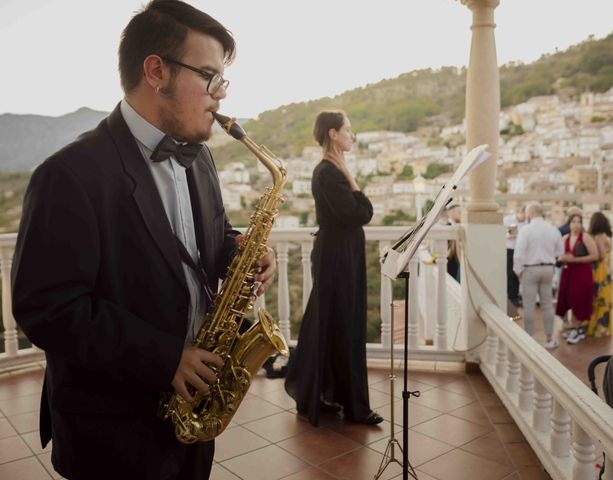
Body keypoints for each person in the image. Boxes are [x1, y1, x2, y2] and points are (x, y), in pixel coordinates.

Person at [10, 2, 276, 479]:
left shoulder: (202, 161)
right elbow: (45, 308)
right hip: (110, 430)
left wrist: (238, 253)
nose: (220, 97)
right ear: (156, 71)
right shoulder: (67, 175)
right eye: (210, 77)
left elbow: (205, 243)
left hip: (192, 412)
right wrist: (164, 357)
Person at [284, 110, 382, 427]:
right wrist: (353, 181)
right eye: (348, 130)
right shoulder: (328, 172)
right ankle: (352, 406)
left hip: (341, 253)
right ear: (333, 134)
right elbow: (361, 213)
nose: (352, 135)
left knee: (336, 323)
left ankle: (325, 395)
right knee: (344, 324)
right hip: (338, 255)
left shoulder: (332, 169)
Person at [513, 202, 564, 349]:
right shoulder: (553, 229)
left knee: (528, 306)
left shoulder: (526, 230)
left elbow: (519, 254)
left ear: (529, 214)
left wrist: (518, 271)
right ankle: (549, 339)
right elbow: (559, 253)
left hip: (530, 269)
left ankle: (529, 339)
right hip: (548, 269)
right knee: (547, 305)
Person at [555, 211, 599, 344]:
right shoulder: (565, 238)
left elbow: (595, 256)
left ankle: (577, 329)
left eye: (579, 222)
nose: (576, 224)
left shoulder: (585, 237)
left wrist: (575, 259)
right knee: (569, 299)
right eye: (574, 222)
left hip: (582, 273)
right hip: (568, 273)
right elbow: (561, 256)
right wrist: (562, 259)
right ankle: (574, 328)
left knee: (579, 299)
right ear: (569, 224)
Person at [587, 212, 613, 338]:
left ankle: (596, 327)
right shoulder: (605, 236)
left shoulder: (596, 237)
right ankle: (603, 328)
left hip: (599, 271)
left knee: (597, 299)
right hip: (606, 271)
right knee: (605, 300)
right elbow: (604, 255)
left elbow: (600, 255)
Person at [504, 205, 527, 314]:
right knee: (510, 277)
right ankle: (511, 308)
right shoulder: (508, 220)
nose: (524, 216)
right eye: (523, 213)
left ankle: (516, 304)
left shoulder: (528, 223)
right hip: (510, 251)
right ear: (519, 212)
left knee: (520, 277)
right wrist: (510, 234)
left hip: (523, 253)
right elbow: (500, 234)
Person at [446, 203, 461, 282]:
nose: (461, 214)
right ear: (451, 213)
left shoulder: (460, 226)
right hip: (450, 263)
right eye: (459, 212)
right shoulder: (447, 227)